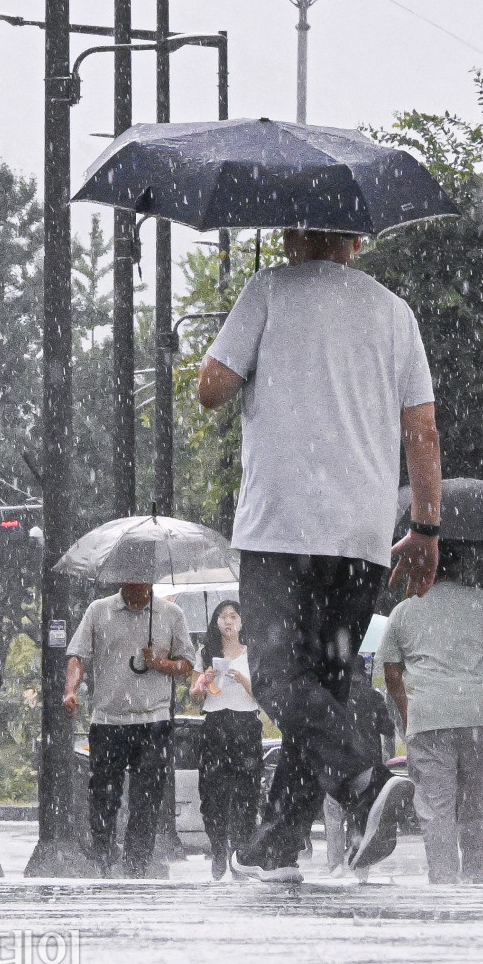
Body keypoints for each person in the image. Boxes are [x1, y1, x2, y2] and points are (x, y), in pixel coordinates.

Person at [198, 228, 440, 883]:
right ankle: (274, 847)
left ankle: (364, 783)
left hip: (281, 526)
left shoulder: (267, 290)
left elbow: (211, 388)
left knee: (276, 675)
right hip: (362, 535)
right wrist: (425, 527)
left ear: (289, 232)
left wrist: (241, 363)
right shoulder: (394, 312)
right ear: (357, 240)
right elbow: (422, 428)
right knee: (323, 685)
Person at [377, 541, 483, 884]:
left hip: (429, 716)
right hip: (480, 713)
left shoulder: (405, 611)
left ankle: (443, 878)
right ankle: (478, 873)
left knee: (436, 805)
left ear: (424, 566)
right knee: (475, 799)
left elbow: (391, 672)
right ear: (462, 566)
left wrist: (407, 713)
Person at [64, 583, 197, 876]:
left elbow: (187, 663)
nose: (137, 586)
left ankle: (136, 864)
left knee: (147, 798)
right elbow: (78, 657)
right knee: (103, 795)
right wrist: (70, 690)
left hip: (154, 720)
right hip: (109, 720)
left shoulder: (171, 614)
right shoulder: (99, 611)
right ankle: (103, 856)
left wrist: (161, 663)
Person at [190, 599, 262, 880]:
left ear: (242, 621)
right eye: (222, 617)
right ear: (216, 622)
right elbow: (195, 694)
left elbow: (264, 694)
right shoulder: (206, 652)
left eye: (233, 616)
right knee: (211, 792)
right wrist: (204, 680)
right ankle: (218, 847)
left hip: (245, 724)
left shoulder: (253, 652)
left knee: (246, 791)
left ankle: (241, 851)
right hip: (215, 723)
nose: (228, 622)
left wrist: (243, 679)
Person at [323, 655, 396, 875]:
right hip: (366, 766)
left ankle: (335, 866)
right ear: (363, 671)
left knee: (334, 816)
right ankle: (359, 862)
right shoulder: (373, 697)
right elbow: (388, 730)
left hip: (334, 767)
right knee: (361, 812)